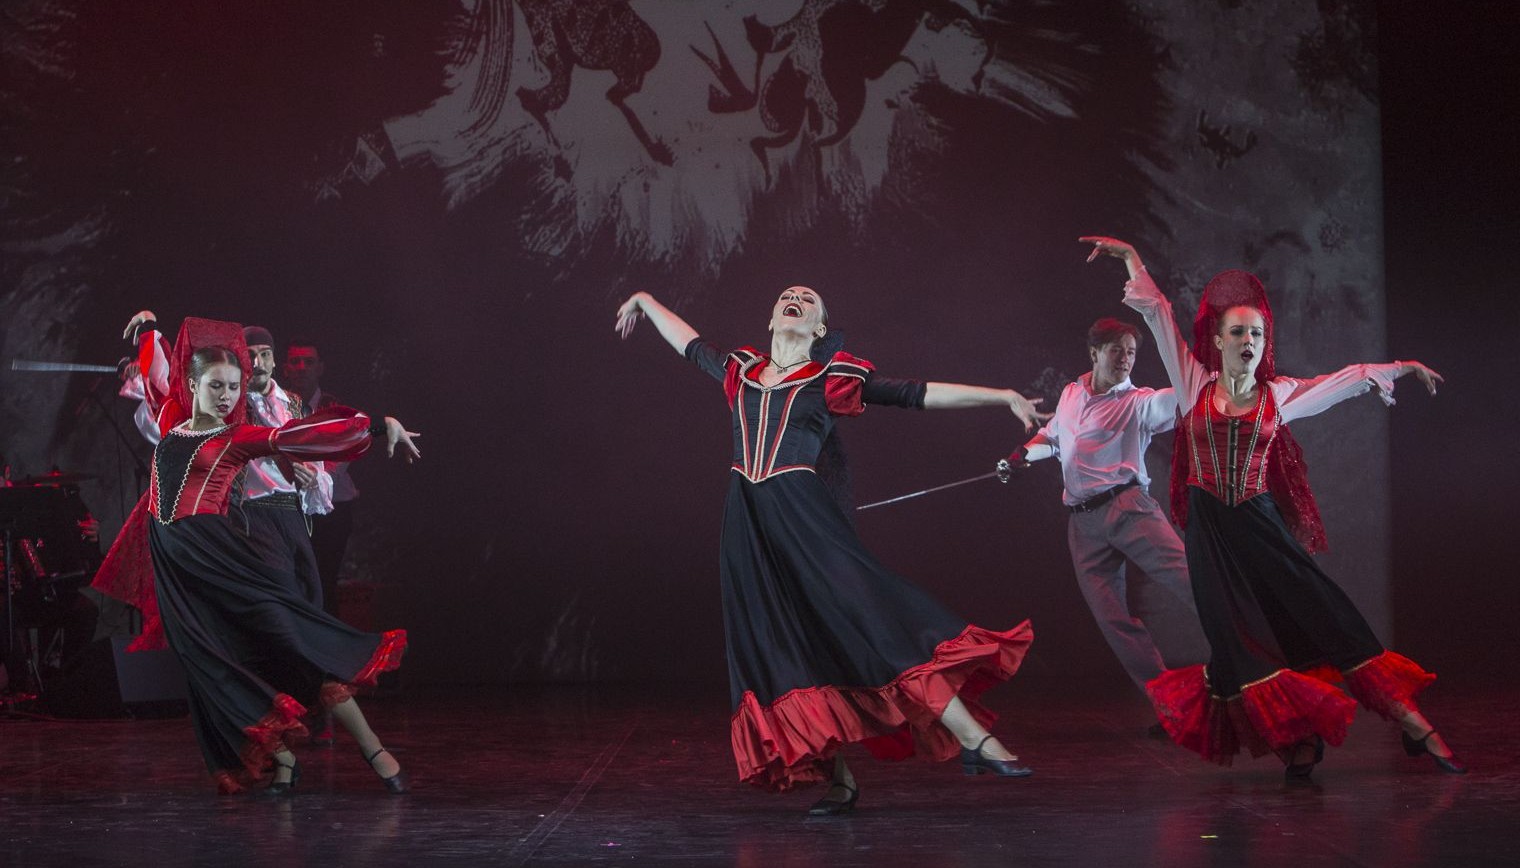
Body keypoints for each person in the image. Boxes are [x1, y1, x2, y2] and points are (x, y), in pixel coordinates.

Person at [615, 286, 1046, 816]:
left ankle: (973, 738)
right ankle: (839, 779)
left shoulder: (830, 379)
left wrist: (1000, 395)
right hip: (747, 528)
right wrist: (644, 301)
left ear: (819, 328)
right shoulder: (741, 371)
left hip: (804, 518)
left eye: (808, 298)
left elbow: (914, 394)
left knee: (876, 623)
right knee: (781, 648)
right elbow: (690, 343)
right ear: (772, 317)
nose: (795, 297)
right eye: (787, 295)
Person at [1080, 236, 1464, 779]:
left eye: (1256, 333)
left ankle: (1412, 722)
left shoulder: (1278, 395)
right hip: (1212, 542)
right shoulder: (1193, 383)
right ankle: (1297, 743)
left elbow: (1343, 380)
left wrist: (1399, 367)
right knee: (1240, 644)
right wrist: (1130, 259)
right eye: (1238, 332)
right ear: (1219, 339)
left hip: (1262, 531)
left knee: (1326, 617)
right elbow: (1159, 315)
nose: (1248, 341)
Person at [93, 317, 420, 794]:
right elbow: (157, 376)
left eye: (233, 387)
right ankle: (283, 757)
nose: (227, 397)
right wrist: (149, 332)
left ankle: (372, 747)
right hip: (176, 568)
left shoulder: (235, 438)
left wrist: (375, 426)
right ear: (193, 386)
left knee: (289, 638)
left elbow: (302, 436)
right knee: (209, 663)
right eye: (216, 386)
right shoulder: (170, 424)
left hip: (221, 556)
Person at [1011, 318, 1209, 712]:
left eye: (1131, 352)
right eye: (1117, 350)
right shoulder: (1071, 393)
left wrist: (1210, 382)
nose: (1125, 359)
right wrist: (1023, 455)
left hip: (1129, 509)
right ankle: (1171, 707)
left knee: (1194, 584)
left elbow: (1179, 399)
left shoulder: (1139, 402)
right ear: (1095, 353)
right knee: (1113, 621)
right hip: (1083, 524)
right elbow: (1053, 436)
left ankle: (1257, 661)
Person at [282, 337, 360, 622]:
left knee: (324, 580)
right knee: (293, 580)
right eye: (295, 361)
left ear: (320, 368)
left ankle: (330, 643)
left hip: (333, 508)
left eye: (309, 361)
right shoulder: (275, 405)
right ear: (285, 368)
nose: (302, 367)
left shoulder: (334, 407)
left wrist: (316, 476)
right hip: (289, 507)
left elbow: (345, 449)